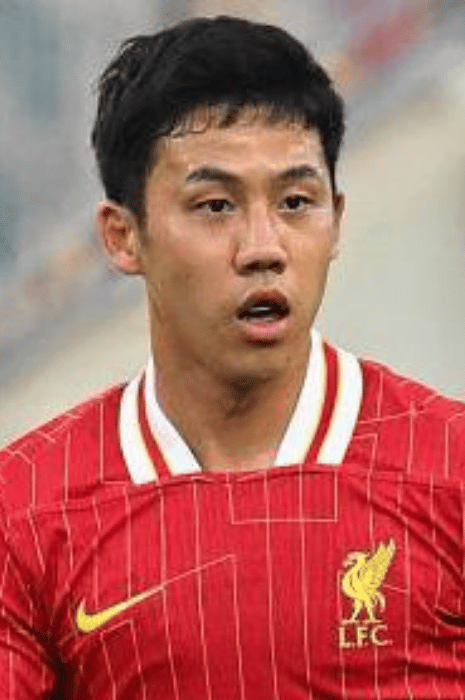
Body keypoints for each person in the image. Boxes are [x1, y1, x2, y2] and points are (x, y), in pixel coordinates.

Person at [1, 15, 465, 700]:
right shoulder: (24, 511)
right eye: (216, 206)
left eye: (296, 202)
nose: (263, 247)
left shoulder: (449, 467)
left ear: (336, 219)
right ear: (122, 237)